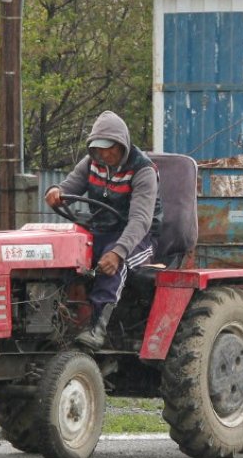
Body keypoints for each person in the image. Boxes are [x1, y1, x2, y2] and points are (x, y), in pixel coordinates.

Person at [44, 110, 163, 350]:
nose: (105, 153)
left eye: (111, 147)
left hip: (137, 237)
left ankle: (97, 327)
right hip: (100, 229)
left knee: (112, 263)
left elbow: (141, 220)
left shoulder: (143, 171)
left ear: (122, 144)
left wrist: (119, 252)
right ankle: (54, 318)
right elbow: (69, 187)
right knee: (65, 253)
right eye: (99, 148)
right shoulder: (91, 164)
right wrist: (56, 192)